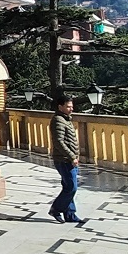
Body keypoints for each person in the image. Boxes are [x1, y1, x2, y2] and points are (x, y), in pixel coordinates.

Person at [49, 93, 84, 223]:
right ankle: (56, 209)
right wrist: (71, 156)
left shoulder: (66, 119)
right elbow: (59, 141)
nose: (71, 109)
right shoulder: (58, 120)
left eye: (71, 106)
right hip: (64, 160)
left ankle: (70, 214)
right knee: (71, 187)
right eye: (68, 106)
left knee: (68, 186)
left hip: (69, 159)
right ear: (60, 107)